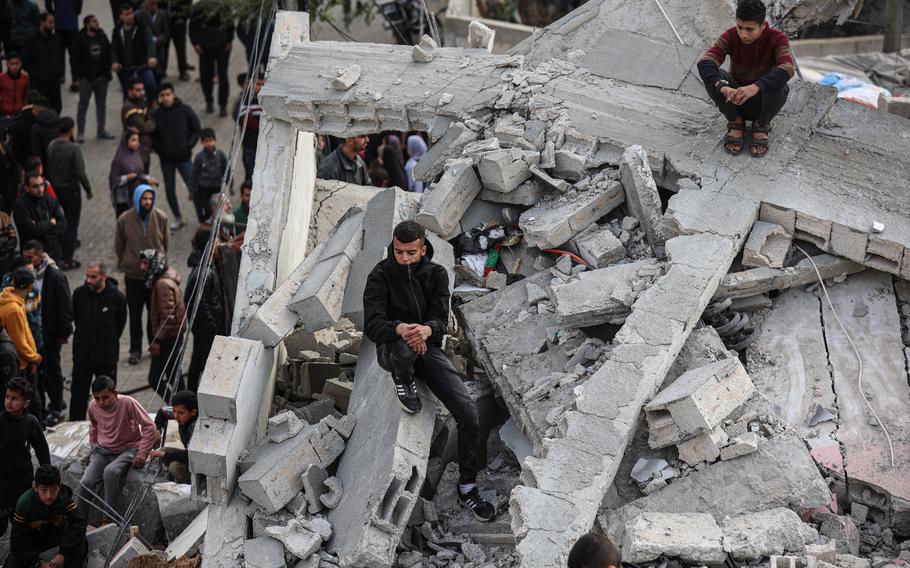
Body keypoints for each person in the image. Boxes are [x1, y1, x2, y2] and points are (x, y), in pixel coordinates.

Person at [363, 220, 496, 521]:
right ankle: (403, 377)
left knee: (468, 412)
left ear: (423, 249)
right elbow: (372, 324)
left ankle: (468, 487)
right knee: (402, 347)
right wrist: (399, 328)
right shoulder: (380, 275)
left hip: (427, 348)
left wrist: (425, 330)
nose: (405, 258)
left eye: (411, 253)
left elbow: (439, 321)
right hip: (393, 346)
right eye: (399, 252)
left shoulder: (436, 275)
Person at [697, 0, 794, 157]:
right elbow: (706, 60)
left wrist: (755, 87)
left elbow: (787, 68)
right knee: (714, 76)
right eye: (739, 27)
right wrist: (722, 86)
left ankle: (761, 125)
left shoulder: (777, 39)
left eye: (750, 29)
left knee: (781, 85)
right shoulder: (731, 36)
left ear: (763, 26)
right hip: (734, 100)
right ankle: (736, 122)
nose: (743, 34)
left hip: (763, 102)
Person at [76, 375, 158, 522]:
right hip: (102, 451)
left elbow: (149, 426)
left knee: (110, 472)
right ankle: (78, 520)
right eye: (97, 398)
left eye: (105, 397)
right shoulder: (93, 406)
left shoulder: (128, 403)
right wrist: (93, 447)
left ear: (115, 393)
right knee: (86, 482)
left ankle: (108, 518)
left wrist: (142, 454)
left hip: (128, 449)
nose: (101, 402)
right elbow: (94, 427)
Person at [114, 184, 168, 365]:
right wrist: (128, 262)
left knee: (155, 314)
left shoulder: (160, 217)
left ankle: (154, 345)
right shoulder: (125, 219)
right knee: (135, 315)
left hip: (155, 276)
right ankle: (135, 350)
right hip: (134, 277)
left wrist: (158, 264)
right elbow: (119, 245)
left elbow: (165, 243)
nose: (148, 202)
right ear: (137, 199)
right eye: (144, 199)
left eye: (150, 199)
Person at [22, 239, 72, 426]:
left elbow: (65, 306)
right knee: (40, 373)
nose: (27, 260)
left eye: (30, 257)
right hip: (34, 335)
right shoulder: (27, 274)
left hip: (50, 334)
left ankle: (57, 406)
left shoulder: (55, 276)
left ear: (40, 255)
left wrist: (63, 332)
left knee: (53, 371)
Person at [70, 262, 127, 421]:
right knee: (78, 395)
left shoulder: (117, 297)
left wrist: (107, 341)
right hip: (83, 356)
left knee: (108, 398)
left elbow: (119, 325)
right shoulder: (79, 294)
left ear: (104, 277)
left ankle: (110, 425)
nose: (89, 280)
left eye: (93, 277)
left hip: (106, 357)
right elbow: (76, 318)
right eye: (87, 276)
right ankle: (76, 425)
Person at [7, 464, 87, 568]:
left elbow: (79, 524)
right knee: (13, 562)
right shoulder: (25, 503)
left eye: (53, 489)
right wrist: (37, 563)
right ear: (35, 488)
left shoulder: (64, 499)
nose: (49, 496)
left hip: (55, 537)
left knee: (81, 541)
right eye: (43, 490)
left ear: (59, 487)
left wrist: (62, 553)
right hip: (32, 540)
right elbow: (17, 541)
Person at [0, 378, 50, 538]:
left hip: (23, 481)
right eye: (7, 396)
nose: (9, 402)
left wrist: (46, 475)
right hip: (2, 483)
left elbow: (42, 450)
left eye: (14, 398)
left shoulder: (31, 422)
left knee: (23, 524)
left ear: (26, 403)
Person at [45, 115, 92, 270]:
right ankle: (67, 258)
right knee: (72, 224)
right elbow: (80, 172)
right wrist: (88, 189)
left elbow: (48, 167)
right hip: (71, 190)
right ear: (71, 130)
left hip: (55, 189)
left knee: (59, 220)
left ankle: (57, 254)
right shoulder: (73, 148)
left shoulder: (51, 145)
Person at [150, 81, 199, 229]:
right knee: (170, 189)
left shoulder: (185, 110)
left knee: (194, 187)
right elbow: (153, 138)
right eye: (162, 95)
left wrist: (188, 145)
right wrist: (161, 150)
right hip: (167, 161)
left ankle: (202, 216)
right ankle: (178, 217)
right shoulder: (156, 115)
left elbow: (196, 129)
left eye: (168, 94)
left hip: (184, 158)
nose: (166, 98)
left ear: (173, 94)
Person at [141, 248, 184, 398]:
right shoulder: (163, 281)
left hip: (167, 339)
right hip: (171, 337)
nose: (142, 267)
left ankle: (177, 406)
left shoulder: (162, 284)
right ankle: (184, 406)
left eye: (146, 263)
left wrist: (157, 340)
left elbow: (168, 316)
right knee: (174, 376)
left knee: (155, 378)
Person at [184, 229, 223, 391]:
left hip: (204, 327)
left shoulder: (206, 267)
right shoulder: (204, 273)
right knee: (201, 363)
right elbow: (198, 304)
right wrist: (212, 325)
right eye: (215, 243)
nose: (218, 246)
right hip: (205, 328)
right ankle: (193, 394)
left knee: (198, 361)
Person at [72, 14, 115, 143]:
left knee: (101, 105)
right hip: (86, 79)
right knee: (83, 105)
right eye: (94, 21)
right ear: (87, 24)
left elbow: (109, 52)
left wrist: (107, 74)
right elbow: (74, 58)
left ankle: (101, 130)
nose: (97, 23)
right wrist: (78, 76)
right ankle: (80, 132)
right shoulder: (80, 39)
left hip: (101, 78)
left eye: (97, 21)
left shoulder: (102, 36)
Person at [188, 1, 232, 116]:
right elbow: (192, 27)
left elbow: (230, 23)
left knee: (222, 75)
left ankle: (223, 105)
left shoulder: (223, 5)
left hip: (222, 46)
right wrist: (195, 43)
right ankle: (209, 100)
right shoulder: (198, 7)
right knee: (206, 75)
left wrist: (229, 39)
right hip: (205, 47)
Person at [0, 268, 41, 384]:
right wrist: (34, 357)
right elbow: (19, 340)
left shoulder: (8, 299)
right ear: (29, 287)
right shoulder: (14, 310)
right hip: (20, 362)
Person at [12, 170, 65, 261]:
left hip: (52, 251)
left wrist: (40, 228)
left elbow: (62, 223)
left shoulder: (50, 199)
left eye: (42, 185)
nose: (40, 189)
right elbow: (30, 230)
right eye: (35, 186)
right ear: (27, 187)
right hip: (32, 255)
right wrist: (50, 223)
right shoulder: (20, 204)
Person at [111, 2, 157, 103]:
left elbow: (150, 42)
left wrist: (151, 56)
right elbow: (113, 48)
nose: (130, 16)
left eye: (131, 13)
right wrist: (114, 61)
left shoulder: (141, 26)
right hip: (126, 69)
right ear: (121, 16)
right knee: (128, 93)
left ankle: (151, 104)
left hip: (142, 66)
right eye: (127, 14)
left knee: (150, 83)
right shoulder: (117, 30)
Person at [150, 389, 196, 483]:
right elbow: (162, 412)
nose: (176, 416)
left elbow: (190, 455)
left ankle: (187, 485)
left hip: (196, 463)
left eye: (180, 413)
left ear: (193, 412)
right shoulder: (180, 413)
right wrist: (157, 430)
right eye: (174, 411)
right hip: (188, 454)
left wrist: (165, 455)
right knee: (164, 450)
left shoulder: (196, 426)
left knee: (174, 466)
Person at [22, 12, 64, 113]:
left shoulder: (56, 39)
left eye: (54, 22)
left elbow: (61, 58)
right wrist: (37, 75)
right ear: (42, 23)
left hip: (54, 83)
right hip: (39, 85)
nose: (53, 25)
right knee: (39, 111)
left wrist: (60, 73)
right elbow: (26, 62)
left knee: (56, 108)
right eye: (50, 22)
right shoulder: (31, 41)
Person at [109, 129, 156, 217]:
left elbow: (139, 173)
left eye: (138, 140)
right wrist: (127, 178)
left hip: (136, 195)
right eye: (133, 140)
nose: (137, 143)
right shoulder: (119, 160)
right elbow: (114, 179)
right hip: (123, 199)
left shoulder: (137, 155)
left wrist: (148, 178)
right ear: (126, 141)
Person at [188, 127, 226, 223]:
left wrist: (231, 185)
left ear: (215, 141)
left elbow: (227, 170)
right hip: (204, 188)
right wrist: (191, 191)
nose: (209, 143)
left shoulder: (220, 155)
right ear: (202, 142)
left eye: (211, 140)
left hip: (217, 186)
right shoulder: (199, 158)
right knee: (207, 208)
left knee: (219, 207)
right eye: (206, 141)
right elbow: (194, 174)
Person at [44, 0, 81, 93]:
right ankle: (75, 79)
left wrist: (54, 13)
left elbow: (48, 4)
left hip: (61, 22)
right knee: (71, 53)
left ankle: (63, 76)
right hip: (70, 23)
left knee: (61, 52)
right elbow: (79, 5)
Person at [232, 71, 263, 180]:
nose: (260, 87)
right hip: (250, 145)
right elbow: (246, 121)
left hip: (263, 146)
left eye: (262, 84)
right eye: (258, 84)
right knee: (250, 177)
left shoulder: (267, 103)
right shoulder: (244, 101)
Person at [119, 76, 154, 157]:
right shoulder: (129, 108)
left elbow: (150, 120)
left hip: (144, 147)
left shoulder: (141, 102)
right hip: (136, 151)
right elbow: (144, 127)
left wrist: (149, 121)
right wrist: (150, 122)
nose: (142, 92)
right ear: (130, 91)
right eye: (138, 90)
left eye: (143, 89)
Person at [136, 0, 168, 82]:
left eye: (155, 4)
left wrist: (160, 39)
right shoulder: (140, 15)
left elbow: (166, 32)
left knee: (159, 75)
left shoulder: (162, 14)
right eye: (151, 4)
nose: (154, 6)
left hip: (159, 49)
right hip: (146, 50)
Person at [165, 0, 192, 81]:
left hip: (178, 22)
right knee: (163, 48)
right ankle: (162, 70)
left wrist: (183, 18)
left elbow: (188, 5)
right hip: (164, 23)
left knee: (180, 48)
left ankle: (183, 71)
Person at [7, 0, 38, 64]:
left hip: (29, 40)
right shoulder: (9, 4)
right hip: (14, 40)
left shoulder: (32, 5)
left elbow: (37, 23)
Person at [0, 52, 29, 116]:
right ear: (7, 64)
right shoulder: (1, 78)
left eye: (17, 63)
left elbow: (26, 95)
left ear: (21, 64)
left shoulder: (25, 78)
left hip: (20, 112)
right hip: (4, 113)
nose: (15, 66)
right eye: (12, 64)